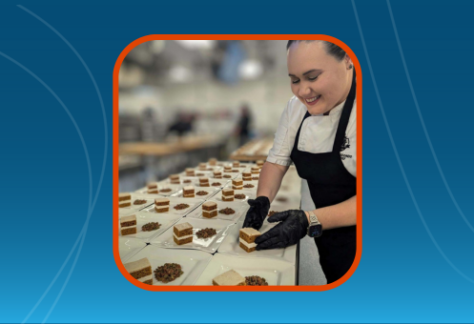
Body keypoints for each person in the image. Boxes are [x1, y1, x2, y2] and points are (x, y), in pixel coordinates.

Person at [242, 40, 357, 284]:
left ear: (348, 59)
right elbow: (276, 161)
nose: (303, 91)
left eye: (312, 77)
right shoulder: (296, 108)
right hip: (328, 235)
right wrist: (263, 198)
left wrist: (309, 219)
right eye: (295, 80)